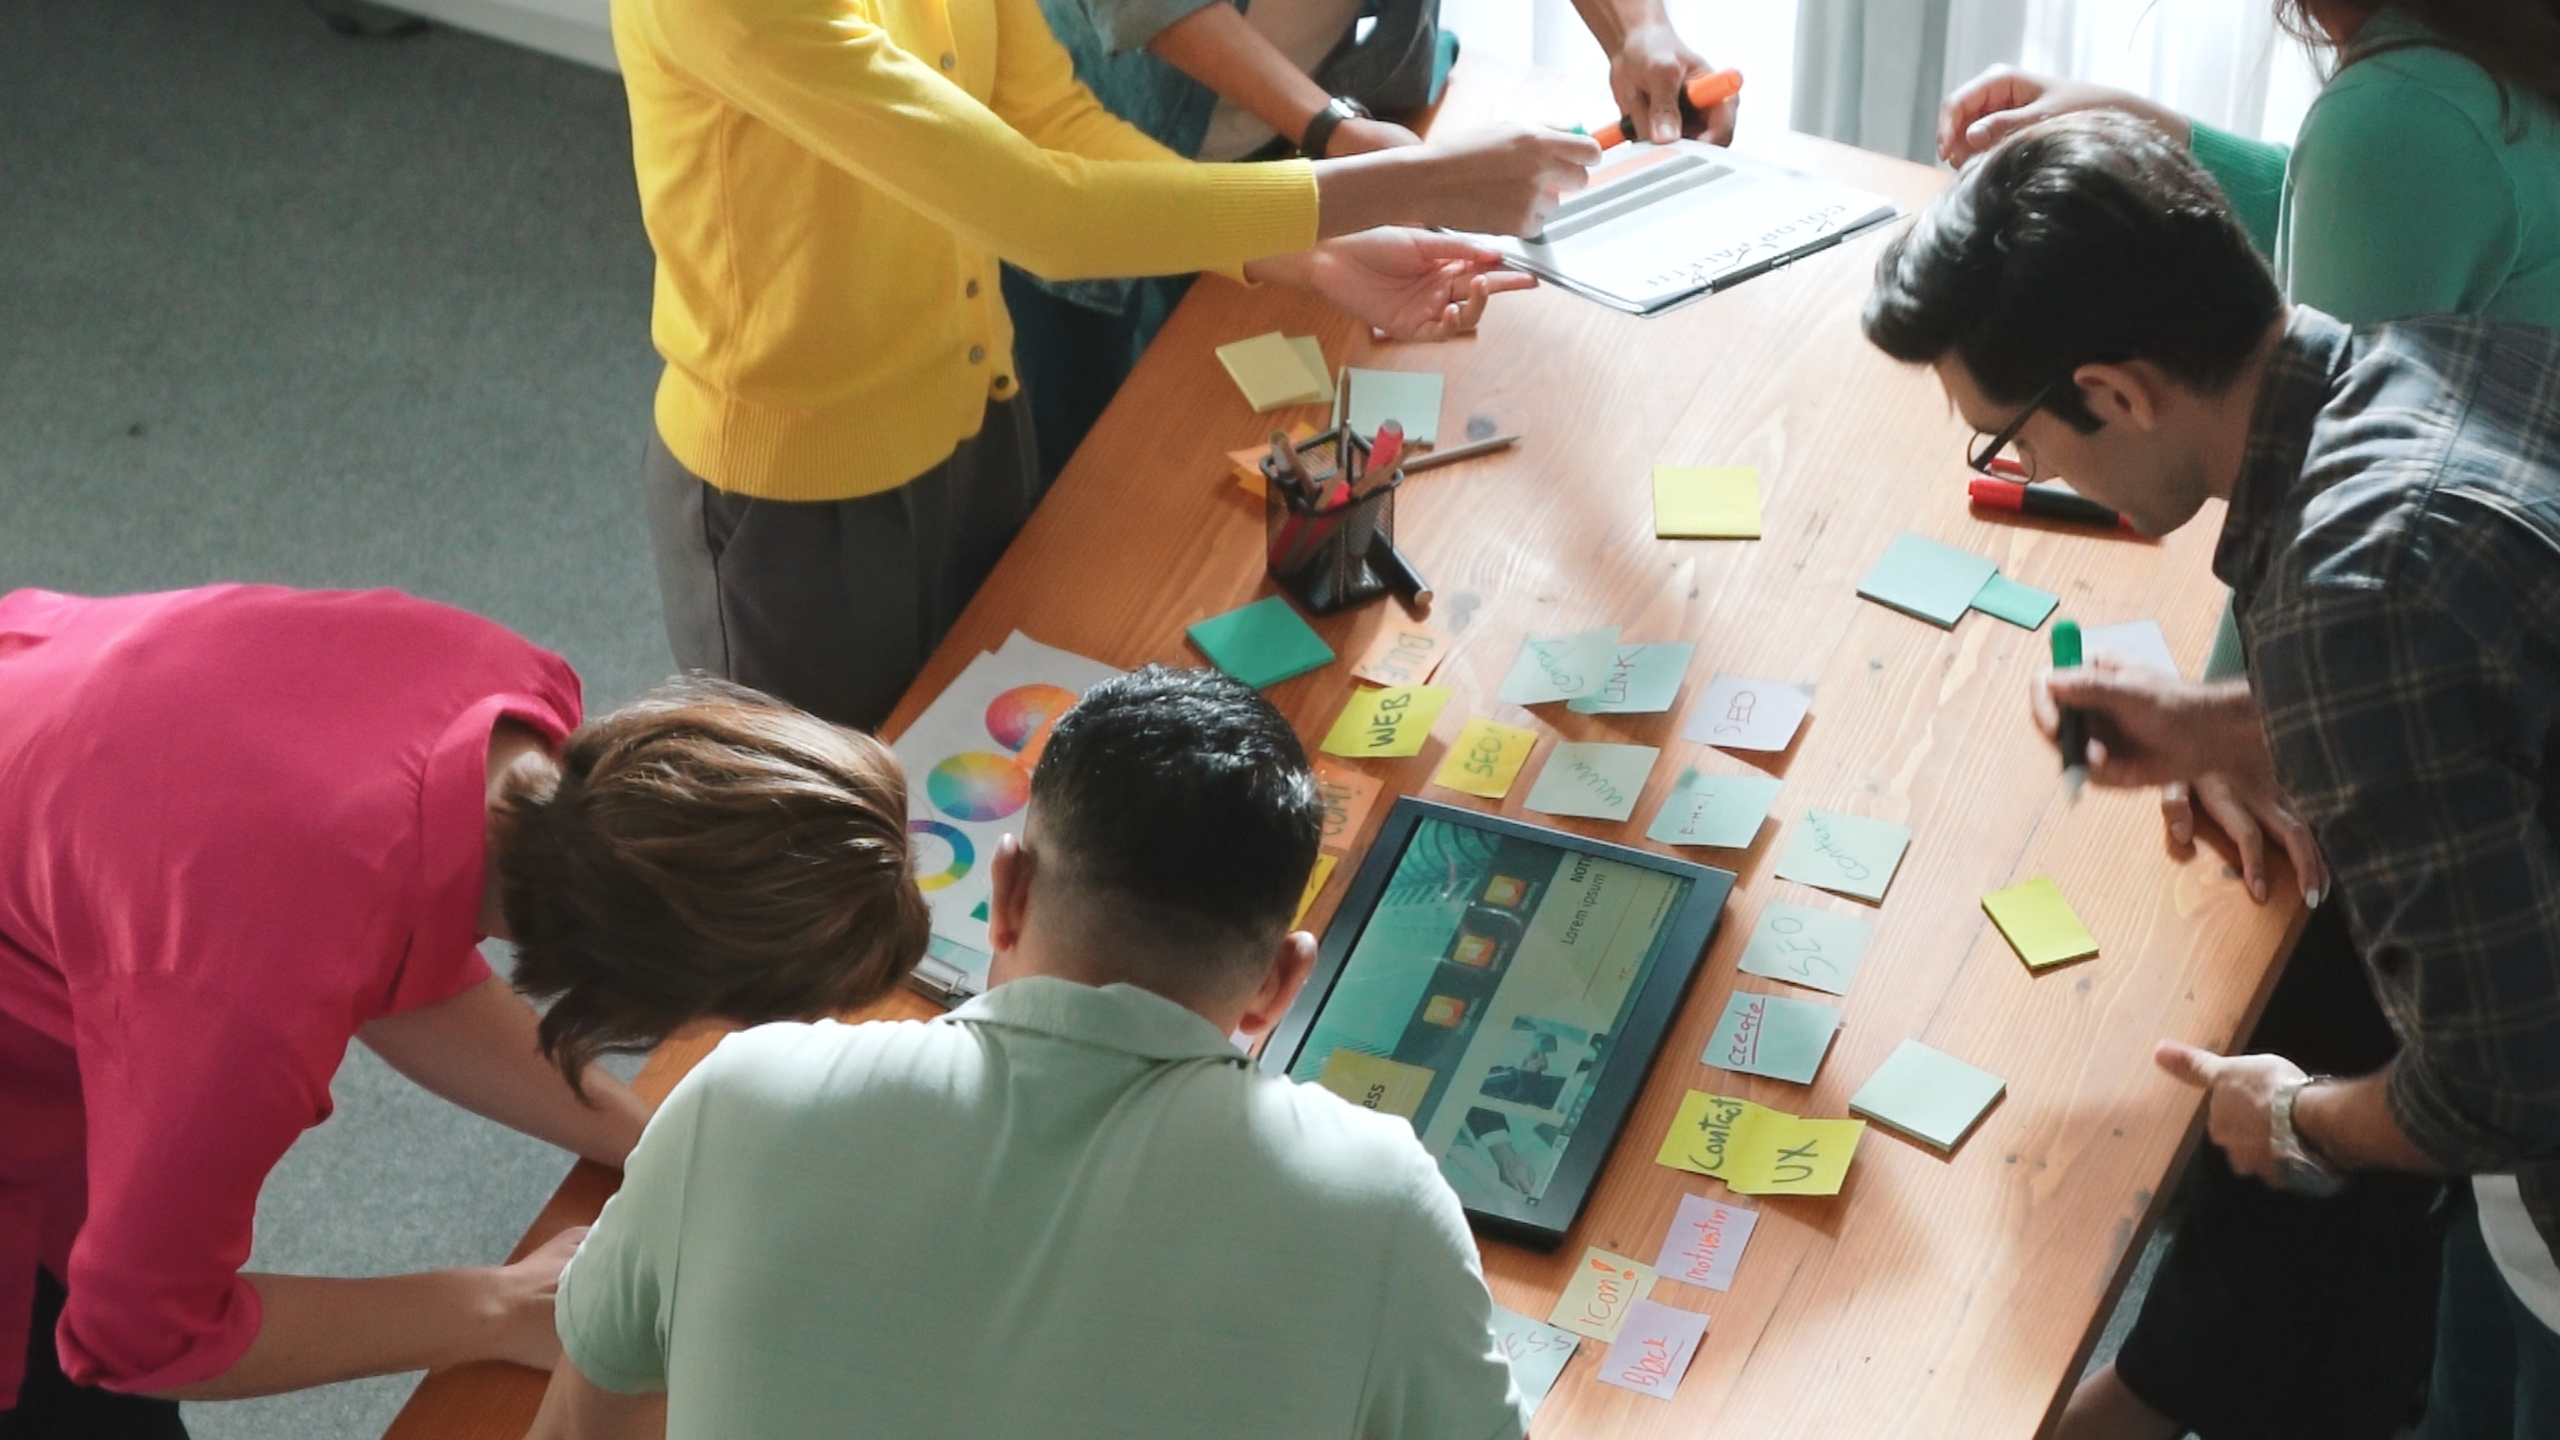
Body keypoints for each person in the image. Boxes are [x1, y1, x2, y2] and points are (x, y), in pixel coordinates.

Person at [1861, 112, 2560, 1440]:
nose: (2025, 470)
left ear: (2116, 392)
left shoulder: (2355, 595)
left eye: (2010, 438)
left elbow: (2502, 1085)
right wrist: (2220, 728)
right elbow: (2497, 685)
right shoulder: (2435, 360)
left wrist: (2295, 1119)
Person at [0, 584, 928, 1436]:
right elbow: (139, 1338)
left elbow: (395, 934)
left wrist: (656, 1143)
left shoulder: (513, 709)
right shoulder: (247, 995)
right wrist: (496, 1308)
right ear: (643, 996)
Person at [530, 666, 1530, 1440]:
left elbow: (579, 1427)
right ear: (1278, 983)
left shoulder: (741, 1098)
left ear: (1005, 894)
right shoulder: (1382, 1206)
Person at [619, 0, 1601, 734]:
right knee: (813, 866)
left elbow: (1048, 121)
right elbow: (1044, 213)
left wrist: (1312, 255)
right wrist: (1414, 180)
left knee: (981, 780)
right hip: (791, 504)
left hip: (978, 418)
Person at [1005, 0, 1738, 478]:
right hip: (1110, 149)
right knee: (1104, 464)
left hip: (1324, 124)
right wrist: (1342, 139)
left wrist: (1638, 30)